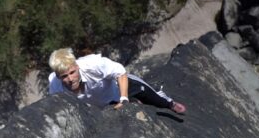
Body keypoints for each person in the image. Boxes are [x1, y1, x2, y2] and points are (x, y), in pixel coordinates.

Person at [48, 48, 186, 114]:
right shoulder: (55, 86)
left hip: (119, 87)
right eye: (64, 76)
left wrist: (124, 98)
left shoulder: (93, 64)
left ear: (76, 66)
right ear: (57, 75)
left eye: (72, 72)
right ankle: (134, 102)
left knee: (157, 101)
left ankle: (169, 102)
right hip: (105, 104)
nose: (70, 79)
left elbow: (120, 73)